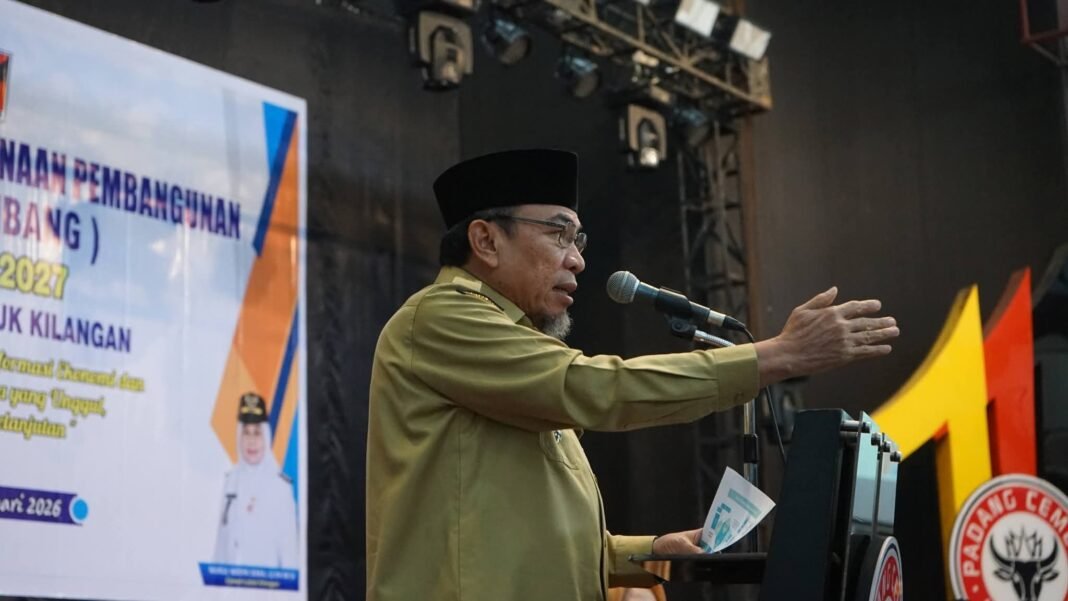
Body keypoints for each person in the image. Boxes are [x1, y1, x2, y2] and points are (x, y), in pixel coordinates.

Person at [365, 149, 899, 601]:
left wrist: (648, 552)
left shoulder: (518, 349)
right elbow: (596, 388)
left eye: (579, 240)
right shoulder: (440, 317)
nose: (577, 260)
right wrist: (776, 356)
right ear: (485, 241)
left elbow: (528, 538)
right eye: (559, 234)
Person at [213, 392, 299, 569]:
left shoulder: (280, 487)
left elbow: (290, 556)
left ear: (266, 437)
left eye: (257, 433)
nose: (251, 441)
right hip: (232, 584)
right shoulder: (230, 482)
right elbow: (221, 547)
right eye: (246, 433)